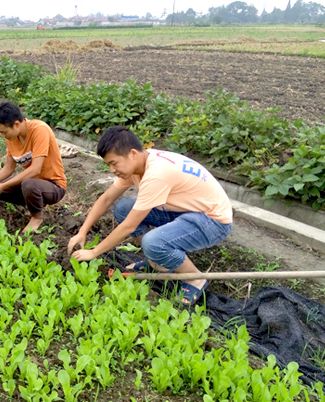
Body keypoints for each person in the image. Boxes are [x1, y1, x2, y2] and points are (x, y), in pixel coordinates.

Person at [68, 126, 233, 305]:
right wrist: (82, 231)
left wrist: (94, 252)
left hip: (212, 221)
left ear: (132, 153)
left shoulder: (157, 174)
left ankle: (194, 278)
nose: (111, 170)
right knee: (123, 208)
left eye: (114, 163)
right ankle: (157, 262)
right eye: (108, 165)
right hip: (183, 210)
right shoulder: (138, 164)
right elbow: (107, 198)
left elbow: (130, 226)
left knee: (153, 242)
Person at [0, 101, 67, 233]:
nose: (2, 136)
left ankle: (37, 217)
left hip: (53, 186)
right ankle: (33, 204)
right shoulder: (12, 138)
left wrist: (2, 186)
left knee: (28, 184)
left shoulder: (39, 130)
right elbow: (8, 168)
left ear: (16, 124)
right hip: (32, 184)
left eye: (4, 132)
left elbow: (36, 169)